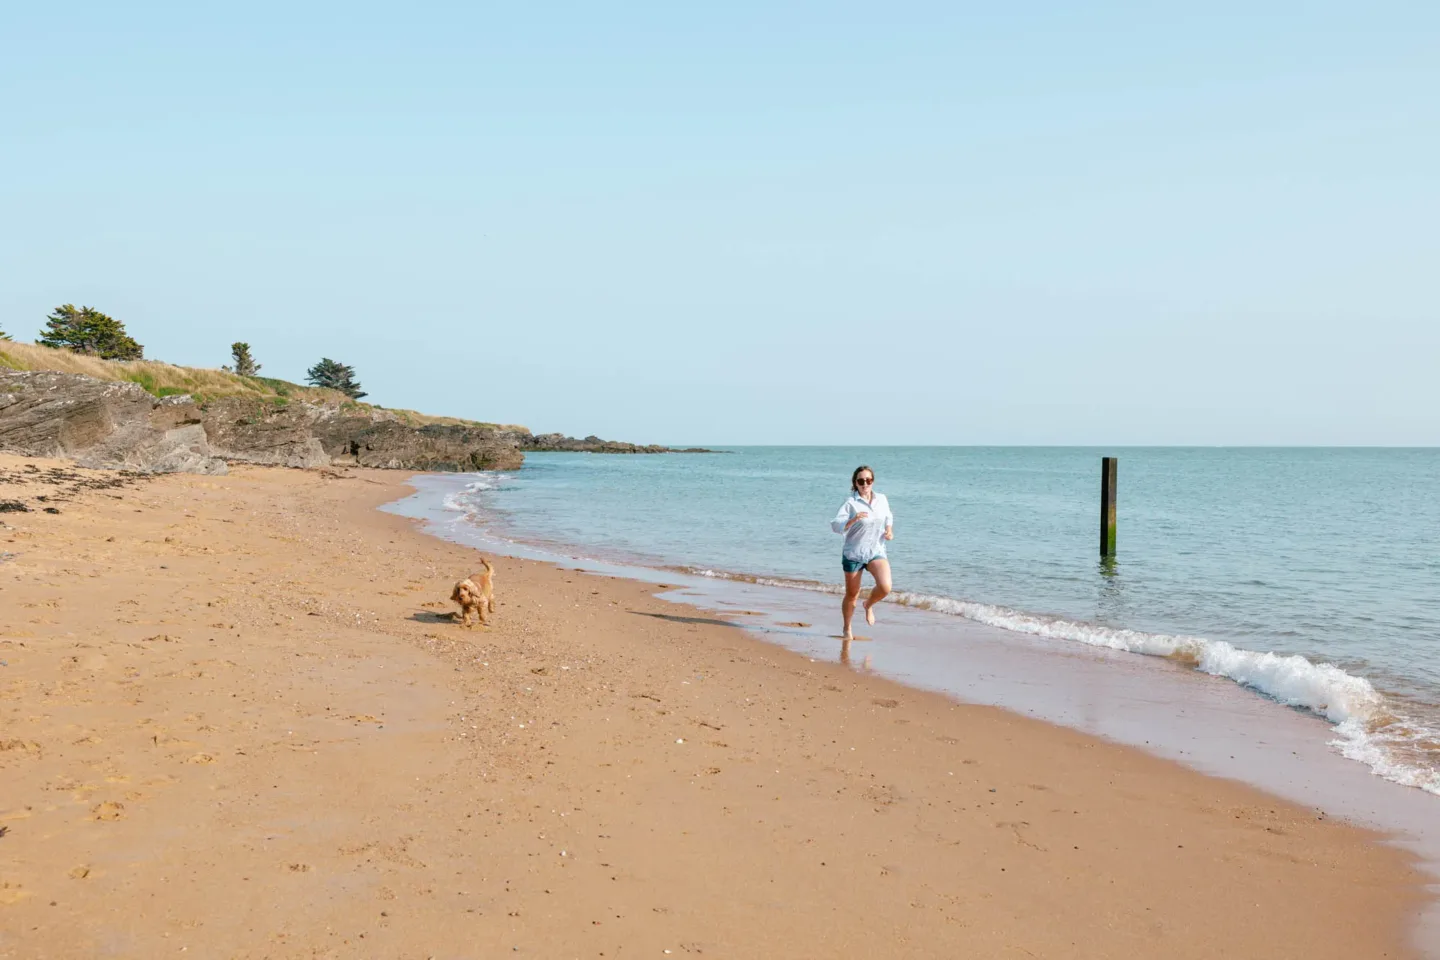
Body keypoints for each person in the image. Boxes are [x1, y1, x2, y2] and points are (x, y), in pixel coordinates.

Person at [830, 465, 893, 641]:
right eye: (861, 481)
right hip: (854, 553)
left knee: (885, 586)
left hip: (875, 551)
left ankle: (869, 604)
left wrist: (889, 530)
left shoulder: (881, 499)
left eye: (868, 480)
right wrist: (852, 520)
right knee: (852, 595)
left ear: (873, 481)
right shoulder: (851, 503)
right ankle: (847, 627)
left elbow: (888, 516)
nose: (865, 484)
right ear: (855, 483)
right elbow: (835, 524)